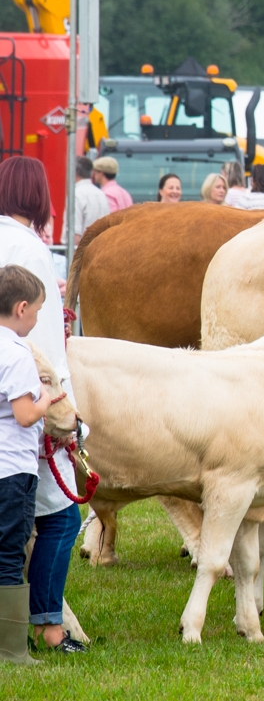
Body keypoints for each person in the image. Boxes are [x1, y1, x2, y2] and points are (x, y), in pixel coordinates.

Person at [0, 158, 82, 657]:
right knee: (61, 517)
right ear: (39, 196)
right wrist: (63, 413)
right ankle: (47, 627)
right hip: (22, 422)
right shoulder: (30, 247)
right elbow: (46, 340)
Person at [0, 264, 58, 664]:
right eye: (37, 311)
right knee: (9, 553)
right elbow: (23, 414)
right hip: (13, 469)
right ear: (22, 308)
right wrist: (46, 402)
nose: (37, 320)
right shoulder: (17, 353)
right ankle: (12, 649)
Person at [67, 156, 110, 242]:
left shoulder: (76, 194)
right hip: (101, 248)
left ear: (74, 171)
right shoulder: (101, 194)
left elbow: (74, 234)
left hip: (81, 251)